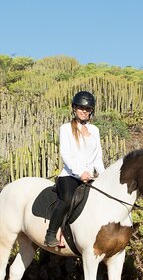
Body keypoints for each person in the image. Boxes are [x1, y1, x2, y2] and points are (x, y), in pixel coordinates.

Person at [44, 91, 105, 247]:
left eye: (88, 109)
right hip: (70, 176)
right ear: (74, 109)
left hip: (90, 176)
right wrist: (80, 172)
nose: (84, 111)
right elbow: (66, 154)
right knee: (67, 200)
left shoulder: (95, 130)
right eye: (81, 108)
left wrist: (103, 176)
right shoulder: (65, 128)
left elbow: (98, 157)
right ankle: (51, 233)